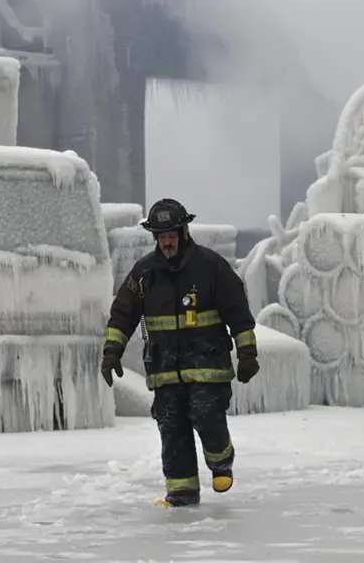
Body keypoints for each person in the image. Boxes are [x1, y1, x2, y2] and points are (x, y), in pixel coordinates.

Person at [100, 198, 259, 508]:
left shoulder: (211, 267)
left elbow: (238, 311)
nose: (167, 242)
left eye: (171, 235)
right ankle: (182, 492)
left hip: (208, 365)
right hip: (164, 370)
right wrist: (112, 351)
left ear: (183, 233)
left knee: (205, 413)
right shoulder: (144, 274)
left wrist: (247, 352)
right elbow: (123, 313)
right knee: (171, 428)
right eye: (161, 237)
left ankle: (221, 460)